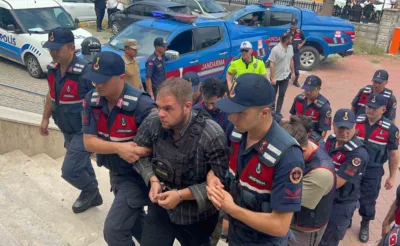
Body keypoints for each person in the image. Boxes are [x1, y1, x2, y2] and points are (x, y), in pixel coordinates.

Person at [207, 73, 305, 245]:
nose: (231, 117)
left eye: (240, 112)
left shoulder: (288, 156)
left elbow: (280, 225)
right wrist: (212, 177)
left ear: (264, 113)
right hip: (236, 235)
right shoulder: (236, 130)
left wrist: (232, 209)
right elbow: (225, 165)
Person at [133, 77, 229, 246]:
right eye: (159, 107)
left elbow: (221, 185)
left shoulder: (211, 135)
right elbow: (137, 154)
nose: (161, 113)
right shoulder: (153, 122)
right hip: (161, 208)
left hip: (196, 218)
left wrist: (180, 195)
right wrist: (152, 179)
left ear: (187, 106)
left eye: (168, 108)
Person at [81, 51, 156, 246]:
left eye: (103, 80)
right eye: (95, 80)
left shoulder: (143, 105)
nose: (98, 85)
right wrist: (118, 148)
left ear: (121, 78)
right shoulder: (92, 100)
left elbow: (161, 147)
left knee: (114, 231)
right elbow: (89, 142)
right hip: (115, 172)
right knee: (134, 222)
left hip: (138, 176)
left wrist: (140, 151)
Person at [40, 27, 102, 213]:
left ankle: (90, 190)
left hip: (84, 130)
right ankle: (93, 195)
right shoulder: (52, 70)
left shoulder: (85, 72)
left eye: (57, 49)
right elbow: (51, 94)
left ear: (71, 49)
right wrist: (45, 118)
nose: (53, 52)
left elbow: (98, 101)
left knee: (69, 170)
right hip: (65, 126)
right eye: (51, 48)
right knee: (81, 163)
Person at [281, 115, 335, 246]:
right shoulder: (299, 147)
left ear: (300, 150)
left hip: (301, 230)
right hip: (287, 220)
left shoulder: (321, 172)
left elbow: (288, 201)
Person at [319, 109, 369, 246]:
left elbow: (336, 182)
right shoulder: (331, 140)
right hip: (324, 197)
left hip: (341, 204)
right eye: (340, 128)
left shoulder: (358, 154)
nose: (344, 132)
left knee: (328, 240)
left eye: (348, 128)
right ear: (333, 125)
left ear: (354, 127)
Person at [354, 93, 399, 243]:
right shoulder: (357, 121)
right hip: (354, 166)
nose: (370, 111)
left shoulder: (390, 129)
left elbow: (393, 154)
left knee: (368, 199)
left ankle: (365, 223)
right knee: (347, 193)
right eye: (368, 107)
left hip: (373, 170)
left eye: (374, 108)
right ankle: (346, 218)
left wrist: (392, 176)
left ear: (383, 109)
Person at [289, 75, 332, 142]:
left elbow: (324, 131)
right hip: (296, 134)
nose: (308, 92)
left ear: (318, 89)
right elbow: (292, 116)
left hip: (311, 139)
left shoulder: (324, 107)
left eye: (311, 90)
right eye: (306, 89)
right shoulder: (298, 99)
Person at [268, 32, 295, 117]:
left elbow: (291, 60)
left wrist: (293, 72)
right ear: (287, 40)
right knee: (273, 94)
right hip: (276, 77)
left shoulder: (290, 48)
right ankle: (271, 112)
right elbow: (271, 63)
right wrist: (273, 77)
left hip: (286, 75)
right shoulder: (275, 49)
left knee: (282, 94)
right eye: (291, 39)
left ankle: (278, 112)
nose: (292, 40)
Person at [286, 18, 306, 87]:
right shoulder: (287, 31)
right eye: (291, 24)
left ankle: (295, 81)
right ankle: (286, 80)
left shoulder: (300, 32)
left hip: (296, 52)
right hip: (288, 52)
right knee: (287, 67)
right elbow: (283, 40)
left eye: (293, 24)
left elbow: (304, 40)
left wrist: (301, 45)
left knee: (296, 68)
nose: (292, 26)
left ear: (296, 25)